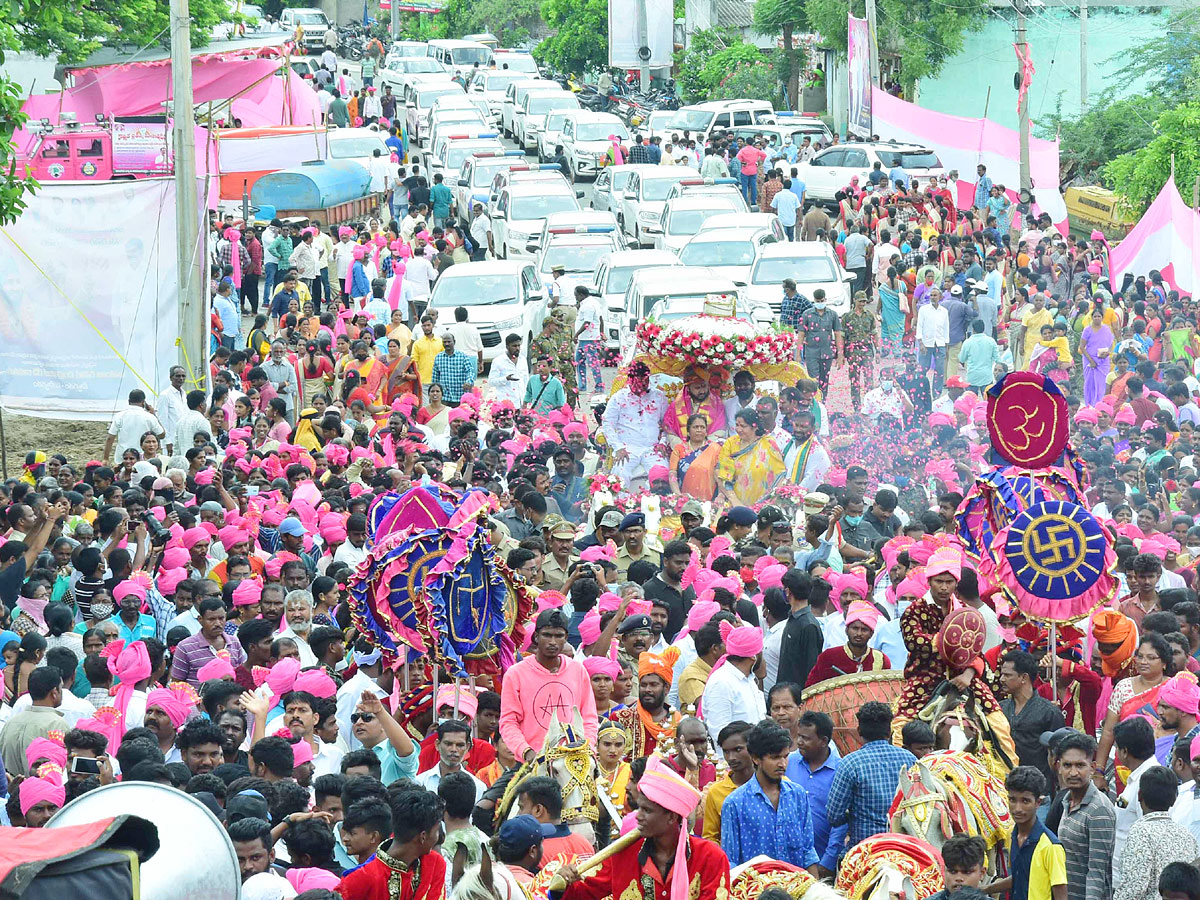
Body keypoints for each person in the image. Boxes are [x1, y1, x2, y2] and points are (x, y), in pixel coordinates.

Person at [551, 755, 732, 900]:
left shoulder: (711, 858)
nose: (638, 816)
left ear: (671, 816)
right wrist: (564, 884)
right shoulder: (623, 853)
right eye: (639, 808)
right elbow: (583, 894)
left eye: (646, 810)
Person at [499, 610, 598, 763]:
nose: (552, 642)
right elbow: (508, 722)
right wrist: (526, 751)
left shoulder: (578, 670)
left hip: (573, 760)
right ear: (536, 637)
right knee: (499, 788)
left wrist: (588, 747)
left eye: (558, 636)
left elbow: (589, 717)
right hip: (531, 762)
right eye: (547, 635)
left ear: (565, 638)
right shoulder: (515, 674)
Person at [721, 719, 818, 871]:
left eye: (785, 756)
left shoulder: (798, 795)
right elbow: (730, 862)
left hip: (796, 888)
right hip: (756, 891)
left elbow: (808, 851)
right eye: (774, 757)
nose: (782, 764)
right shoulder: (735, 804)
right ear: (756, 758)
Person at [826, 701, 916, 850]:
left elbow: (834, 815)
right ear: (889, 732)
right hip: (904, 848)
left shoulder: (850, 763)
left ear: (859, 730)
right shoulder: (910, 759)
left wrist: (854, 815)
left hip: (865, 851)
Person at [337, 788, 447, 900]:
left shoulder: (434, 864)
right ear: (423, 836)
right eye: (437, 831)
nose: (438, 836)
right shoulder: (361, 879)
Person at [1116, 766, 1200, 900]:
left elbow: (1133, 888)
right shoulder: (1187, 835)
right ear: (1174, 799)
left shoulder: (1140, 832)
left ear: (1139, 796)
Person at [1056, 732, 1116, 900]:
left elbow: (1097, 872)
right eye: (1067, 765)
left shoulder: (1099, 810)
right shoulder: (1068, 801)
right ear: (1059, 766)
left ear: (1092, 767)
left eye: (1080, 765)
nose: (1073, 773)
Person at [785, 710, 845, 876]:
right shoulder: (787, 762)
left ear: (824, 741)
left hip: (824, 861)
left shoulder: (840, 770)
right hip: (788, 861)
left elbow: (840, 821)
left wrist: (828, 862)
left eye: (806, 738)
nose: (800, 742)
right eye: (799, 736)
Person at [1000, 650, 1066, 790]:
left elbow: (1059, 756)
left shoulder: (1049, 712)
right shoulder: (999, 709)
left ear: (1024, 677)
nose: (1001, 679)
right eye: (1002, 674)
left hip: (1039, 791)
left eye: (1007, 675)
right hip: (1004, 788)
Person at [715, 409, 784, 507]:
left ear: (754, 427)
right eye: (737, 425)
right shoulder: (731, 444)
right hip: (734, 502)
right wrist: (733, 500)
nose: (738, 429)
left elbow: (779, 476)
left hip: (764, 503)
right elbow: (722, 474)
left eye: (743, 426)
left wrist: (771, 503)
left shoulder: (768, 444)